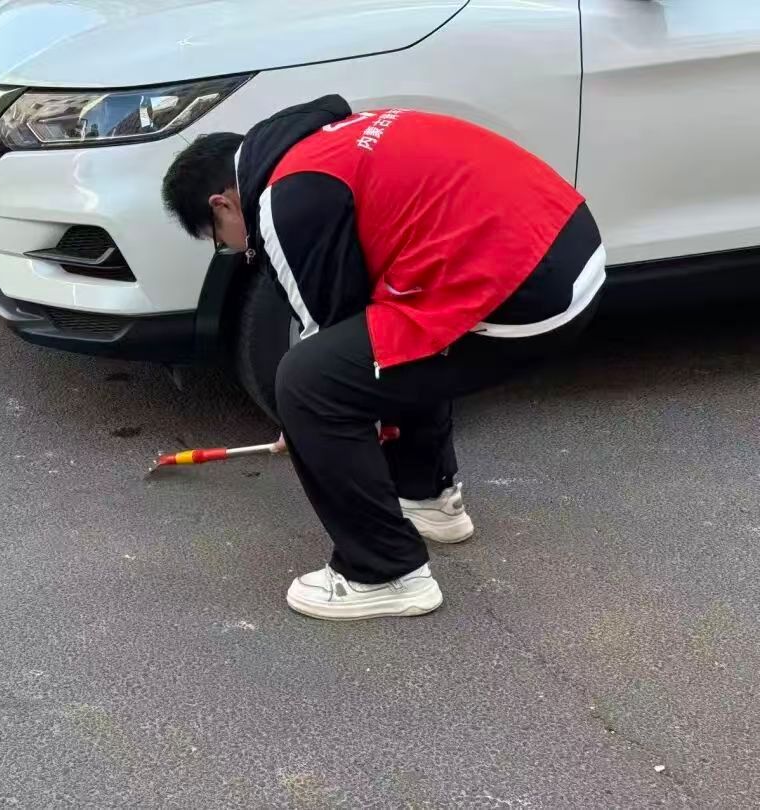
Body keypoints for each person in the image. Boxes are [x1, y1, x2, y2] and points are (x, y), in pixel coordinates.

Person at [161, 95, 605, 621]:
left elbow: (325, 342)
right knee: (385, 332)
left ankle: (383, 572)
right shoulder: (326, 142)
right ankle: (429, 498)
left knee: (305, 382)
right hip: (568, 246)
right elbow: (360, 327)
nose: (238, 248)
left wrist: (304, 422)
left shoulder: (285, 199)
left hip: (530, 289)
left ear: (221, 205)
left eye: (221, 241)